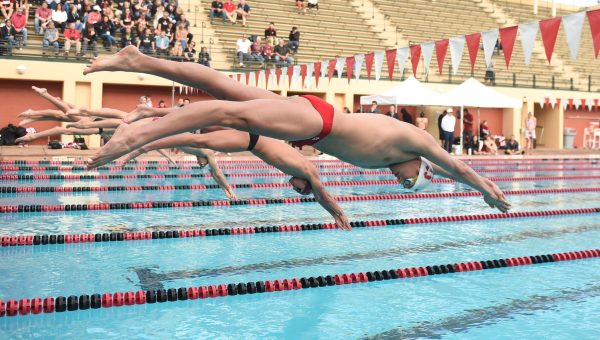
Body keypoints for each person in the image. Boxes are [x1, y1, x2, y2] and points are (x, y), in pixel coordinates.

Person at [82, 46, 510, 213]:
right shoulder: (415, 140)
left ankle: (138, 61)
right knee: (229, 113)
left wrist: (331, 207)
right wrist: (486, 188)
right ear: (421, 168)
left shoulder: (388, 159)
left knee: (218, 84)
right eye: (409, 181)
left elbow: (317, 179)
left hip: (308, 125)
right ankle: (135, 136)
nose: (401, 181)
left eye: (404, 185)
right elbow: (455, 166)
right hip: (318, 121)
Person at [118, 126, 350, 229]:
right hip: (251, 140)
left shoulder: (297, 171)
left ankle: (144, 133)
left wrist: (227, 189)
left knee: (198, 134)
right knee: (198, 141)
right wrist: (338, 214)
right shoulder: (308, 172)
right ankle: (138, 146)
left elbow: (215, 171)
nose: (295, 190)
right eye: (300, 190)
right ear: (306, 183)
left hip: (251, 139)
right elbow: (323, 195)